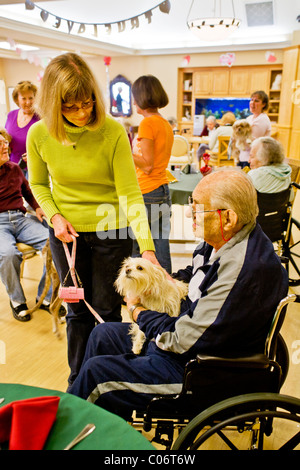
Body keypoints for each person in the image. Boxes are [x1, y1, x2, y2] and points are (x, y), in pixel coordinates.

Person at [68, 169, 288, 420]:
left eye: (197, 207)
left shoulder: (243, 271)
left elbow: (180, 338)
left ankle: (70, 431)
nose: (188, 211)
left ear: (227, 218)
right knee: (102, 334)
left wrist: (138, 311)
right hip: (189, 344)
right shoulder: (226, 240)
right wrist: (161, 279)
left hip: (201, 372)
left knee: (98, 374)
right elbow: (193, 274)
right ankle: (106, 423)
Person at [26, 53, 157, 387]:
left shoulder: (111, 131)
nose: (83, 112)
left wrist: (147, 248)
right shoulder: (40, 134)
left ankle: (107, 384)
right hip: (66, 236)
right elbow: (39, 184)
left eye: (87, 103)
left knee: (108, 312)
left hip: (111, 232)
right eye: (71, 106)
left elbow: (129, 193)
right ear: (54, 104)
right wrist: (54, 216)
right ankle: (78, 383)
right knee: (78, 312)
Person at [0, 128, 52, 322]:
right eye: (0, 144)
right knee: (8, 254)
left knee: (53, 243)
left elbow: (28, 191)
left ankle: (45, 297)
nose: (6, 146)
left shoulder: (14, 168)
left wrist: (38, 207)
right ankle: (17, 300)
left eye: (5, 142)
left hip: (21, 219)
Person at [131, 75, 174, 274]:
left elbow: (147, 165)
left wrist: (125, 152)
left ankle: (135, 293)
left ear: (142, 97)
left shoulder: (147, 124)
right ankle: (166, 293)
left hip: (147, 191)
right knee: (160, 244)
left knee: (135, 243)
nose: (133, 101)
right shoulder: (164, 123)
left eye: (134, 96)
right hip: (162, 188)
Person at [5, 81, 39, 177]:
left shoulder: (40, 118)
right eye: (24, 98)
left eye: (31, 98)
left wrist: (35, 155)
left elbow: (47, 144)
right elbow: (6, 138)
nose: (28, 102)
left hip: (33, 167)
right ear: (17, 99)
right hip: (12, 166)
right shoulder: (11, 115)